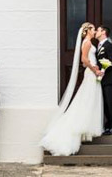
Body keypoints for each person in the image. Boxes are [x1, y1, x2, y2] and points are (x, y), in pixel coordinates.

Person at [40, 22, 104, 156]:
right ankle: (79, 127)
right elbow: (84, 60)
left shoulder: (89, 42)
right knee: (87, 99)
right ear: (87, 31)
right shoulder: (86, 43)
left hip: (92, 73)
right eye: (93, 29)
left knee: (89, 100)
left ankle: (86, 129)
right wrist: (94, 69)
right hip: (91, 73)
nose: (94, 31)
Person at [96, 25, 112, 135]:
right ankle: (108, 125)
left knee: (110, 103)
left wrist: (104, 69)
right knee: (105, 103)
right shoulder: (99, 46)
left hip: (109, 79)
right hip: (102, 79)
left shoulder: (109, 45)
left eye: (98, 30)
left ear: (103, 32)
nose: (96, 31)